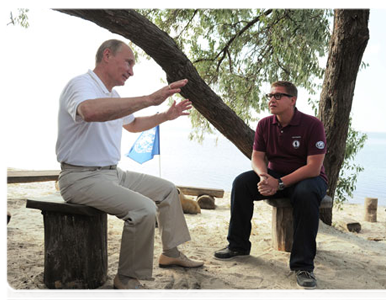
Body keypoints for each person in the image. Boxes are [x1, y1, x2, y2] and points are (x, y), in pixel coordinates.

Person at [56, 39, 203, 300]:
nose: (131, 71)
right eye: (128, 62)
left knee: (168, 190)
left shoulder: (114, 96)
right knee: (143, 209)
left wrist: (165, 116)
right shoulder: (80, 85)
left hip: (113, 173)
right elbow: (88, 111)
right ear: (107, 55)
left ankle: (171, 253)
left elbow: (133, 124)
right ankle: (126, 277)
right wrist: (149, 98)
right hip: (79, 177)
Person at [214, 81, 328, 291]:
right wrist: (264, 176)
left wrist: (280, 183)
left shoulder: (312, 125)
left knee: (305, 194)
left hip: (308, 178)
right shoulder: (265, 124)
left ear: (292, 100)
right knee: (241, 183)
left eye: (277, 96)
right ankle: (238, 246)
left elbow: (313, 168)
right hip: (275, 174)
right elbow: (256, 157)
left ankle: (303, 266)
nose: (271, 100)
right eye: (269, 96)